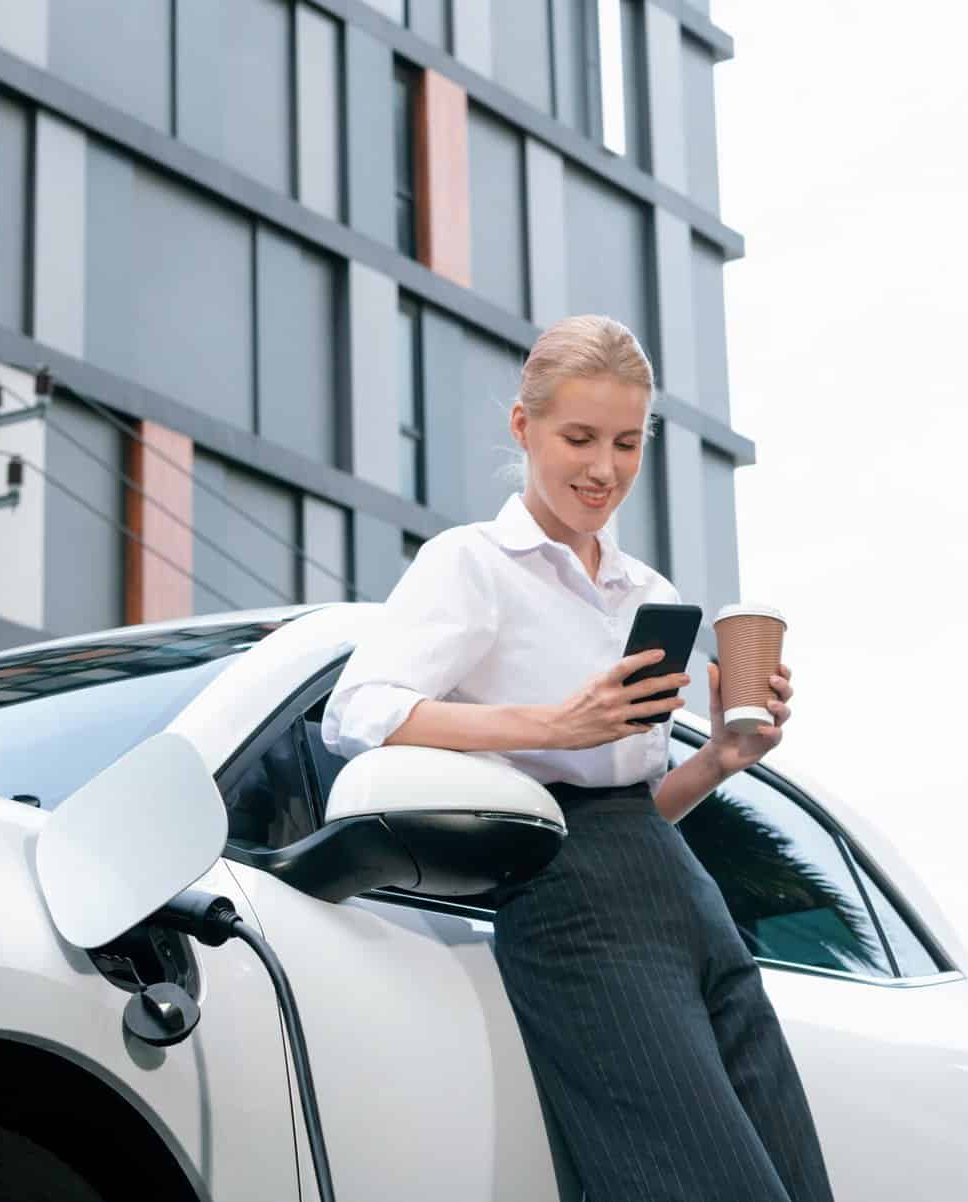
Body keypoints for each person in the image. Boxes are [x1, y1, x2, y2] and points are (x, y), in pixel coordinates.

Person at [321, 315, 836, 1202]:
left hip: (681, 893)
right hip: (570, 905)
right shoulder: (473, 564)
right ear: (525, 429)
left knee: (793, 1185)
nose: (604, 469)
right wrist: (556, 726)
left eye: (628, 444)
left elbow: (632, 797)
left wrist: (719, 757)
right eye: (580, 438)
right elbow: (357, 713)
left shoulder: (651, 593)